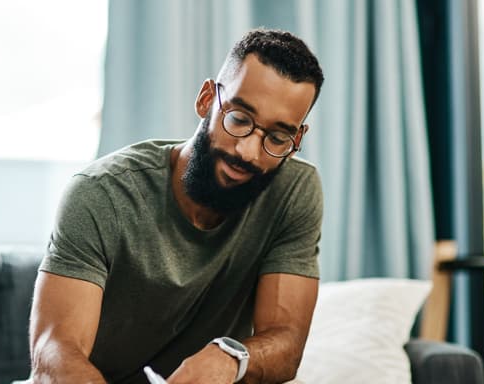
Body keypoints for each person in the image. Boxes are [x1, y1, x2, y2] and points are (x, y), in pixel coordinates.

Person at [28, 28, 325, 384]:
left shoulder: (295, 191)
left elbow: (286, 344)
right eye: (239, 119)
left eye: (277, 138)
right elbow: (54, 351)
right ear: (206, 100)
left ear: (297, 140)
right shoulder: (99, 194)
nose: (247, 152)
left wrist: (230, 358)